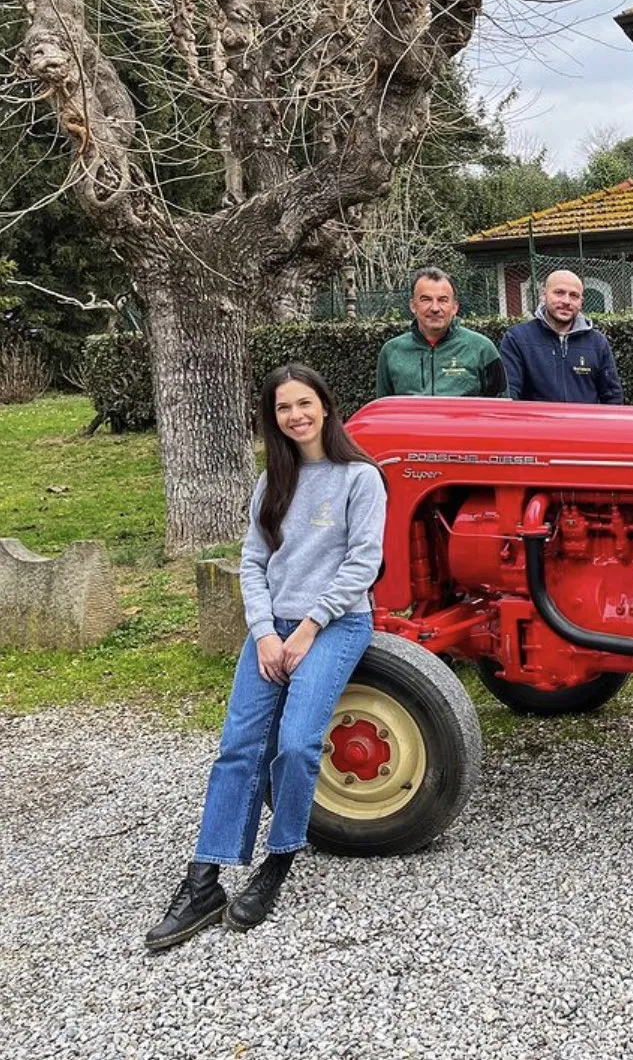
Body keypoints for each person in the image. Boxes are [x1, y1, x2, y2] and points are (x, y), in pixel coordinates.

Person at [146, 364, 386, 950]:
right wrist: (264, 632)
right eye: (284, 408)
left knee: (298, 743)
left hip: (334, 623)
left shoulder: (360, 478)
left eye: (305, 403)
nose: (295, 416)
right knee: (239, 746)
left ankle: (277, 862)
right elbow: (253, 562)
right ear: (273, 418)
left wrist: (305, 629)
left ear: (325, 406)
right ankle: (204, 879)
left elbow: (363, 564)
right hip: (272, 628)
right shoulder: (270, 481)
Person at [375, 266, 505, 398]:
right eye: (426, 300)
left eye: (443, 300)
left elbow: (502, 410)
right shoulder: (391, 352)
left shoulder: (482, 349)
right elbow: (382, 411)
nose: (435, 308)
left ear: (454, 307)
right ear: (413, 306)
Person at [500, 269, 623, 404]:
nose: (566, 301)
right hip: (536, 424)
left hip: (584, 425)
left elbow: (613, 398)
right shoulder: (517, 339)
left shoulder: (597, 343)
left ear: (581, 302)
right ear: (544, 295)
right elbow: (509, 396)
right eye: (559, 293)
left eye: (574, 296)